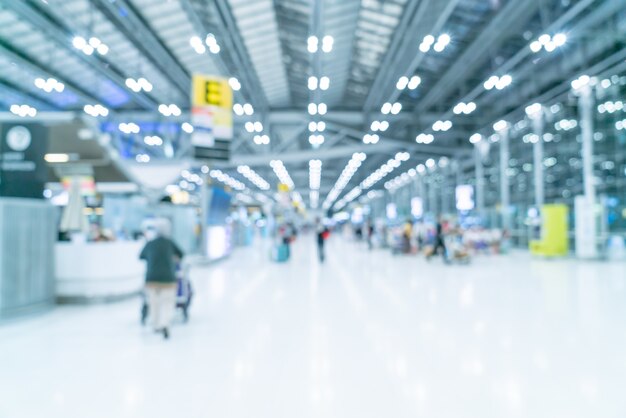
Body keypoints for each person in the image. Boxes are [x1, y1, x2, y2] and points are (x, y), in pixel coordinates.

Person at [139, 219, 184, 339]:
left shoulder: (150, 243)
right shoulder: (170, 243)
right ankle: (165, 323)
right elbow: (181, 254)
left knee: (154, 302)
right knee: (168, 302)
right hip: (168, 279)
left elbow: (141, 256)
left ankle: (156, 325)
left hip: (151, 279)